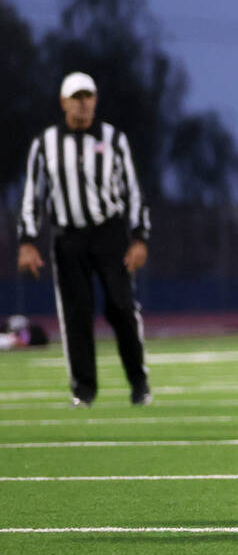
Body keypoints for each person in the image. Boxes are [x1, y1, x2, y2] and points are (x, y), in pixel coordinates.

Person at [17, 72, 153, 407]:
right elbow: (32, 196)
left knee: (122, 307)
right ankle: (84, 390)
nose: (82, 103)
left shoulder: (114, 139)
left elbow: (132, 192)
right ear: (64, 102)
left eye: (88, 96)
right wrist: (28, 241)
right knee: (76, 314)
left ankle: (139, 383)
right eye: (76, 97)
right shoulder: (45, 144)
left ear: (95, 99)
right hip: (68, 237)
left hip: (108, 233)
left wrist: (139, 237)